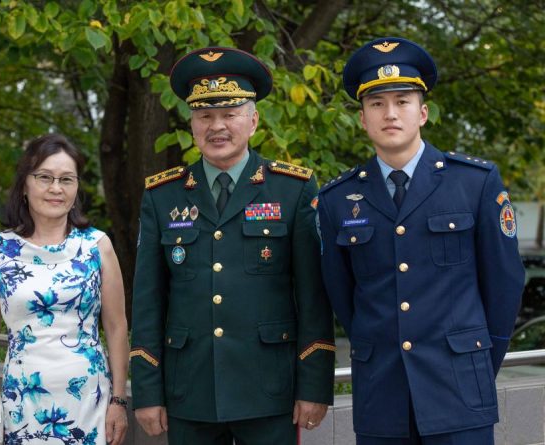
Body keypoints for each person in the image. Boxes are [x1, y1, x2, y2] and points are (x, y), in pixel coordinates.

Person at [316, 36, 525, 444]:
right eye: (377, 104)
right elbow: (342, 295)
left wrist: (479, 361)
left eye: (402, 101)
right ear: (362, 119)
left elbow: (504, 283)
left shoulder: (475, 183)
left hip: (460, 391)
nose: (389, 113)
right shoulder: (336, 200)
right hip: (382, 396)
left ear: (423, 112)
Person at [130, 47, 335, 445]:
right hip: (189, 393)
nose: (216, 126)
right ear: (192, 124)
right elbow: (148, 300)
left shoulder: (292, 189)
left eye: (229, 114)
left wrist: (314, 385)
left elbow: (313, 296)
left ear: (254, 120)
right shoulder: (162, 195)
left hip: (269, 391)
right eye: (205, 116)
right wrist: (147, 390)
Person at [0, 133, 129, 445]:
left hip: (90, 402)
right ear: (25, 185)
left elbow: (116, 326)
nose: (56, 188)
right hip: (22, 403)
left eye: (66, 179)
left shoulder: (97, 246)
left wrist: (119, 401)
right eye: (45, 177)